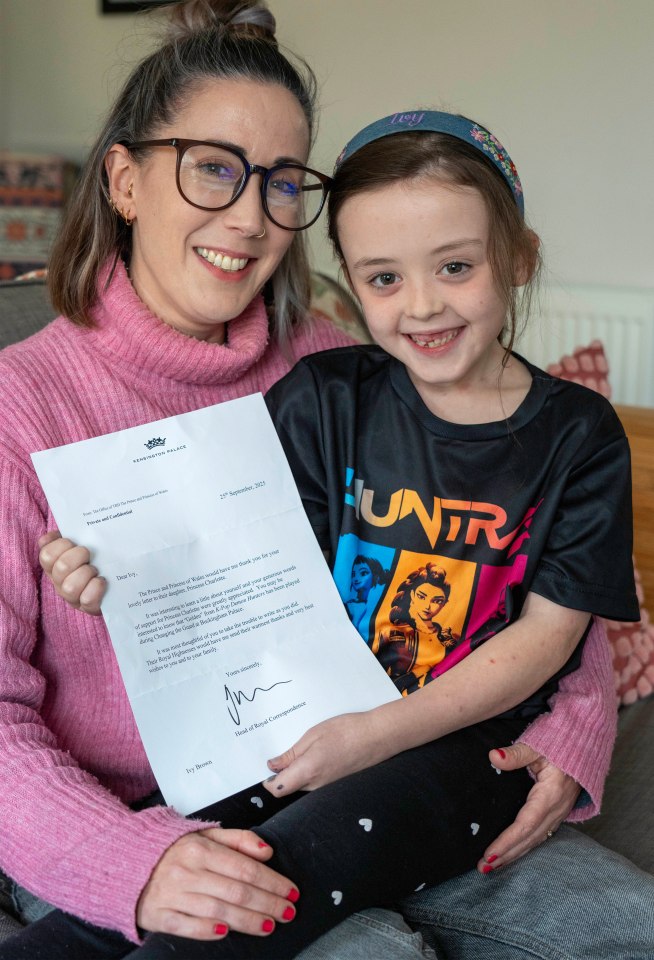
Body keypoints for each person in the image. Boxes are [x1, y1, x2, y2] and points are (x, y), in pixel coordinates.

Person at [8, 99, 643, 960]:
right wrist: (109, 575)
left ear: (519, 257)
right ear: (124, 180)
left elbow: (555, 627)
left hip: (460, 750)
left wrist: (568, 723)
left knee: (290, 878)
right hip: (293, 744)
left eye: (456, 266)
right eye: (384, 279)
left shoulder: (569, 430)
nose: (423, 305)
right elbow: (238, 558)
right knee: (230, 870)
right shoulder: (325, 394)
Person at [373, 562, 459, 692]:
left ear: (444, 604)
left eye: (437, 601)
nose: (427, 606)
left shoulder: (452, 638)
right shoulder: (393, 633)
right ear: (412, 595)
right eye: (421, 596)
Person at [343, 553, 388, 634]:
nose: (356, 578)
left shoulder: (376, 603)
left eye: (363, 573)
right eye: (353, 574)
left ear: (376, 577)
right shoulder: (352, 605)